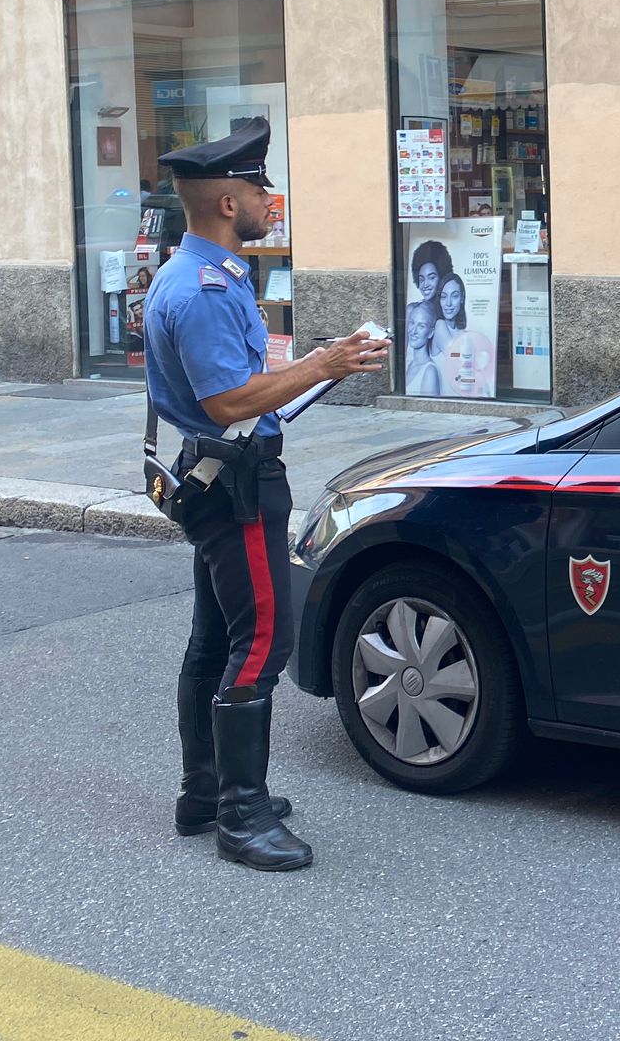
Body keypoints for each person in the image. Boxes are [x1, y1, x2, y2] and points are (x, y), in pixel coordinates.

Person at [142, 116, 389, 872]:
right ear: (228, 202)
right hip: (238, 485)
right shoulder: (207, 289)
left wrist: (315, 368)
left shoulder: (193, 271)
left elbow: (238, 389)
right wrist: (322, 365)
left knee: (216, 638)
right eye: (259, 190)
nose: (268, 201)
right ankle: (241, 816)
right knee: (262, 642)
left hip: (217, 475)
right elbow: (227, 401)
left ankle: (203, 792)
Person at [431, 272, 494, 397]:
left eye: (454, 296)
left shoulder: (464, 334)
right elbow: (455, 358)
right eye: (443, 297)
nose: (448, 303)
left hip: (465, 397)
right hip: (446, 401)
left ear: (462, 298)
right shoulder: (440, 325)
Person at [403, 298, 442, 397]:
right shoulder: (408, 365)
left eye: (421, 326)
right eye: (412, 323)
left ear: (431, 332)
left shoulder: (429, 372)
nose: (413, 331)